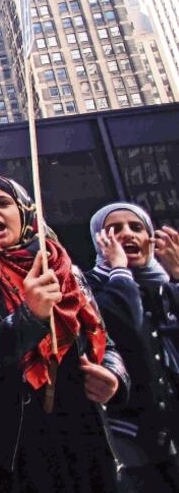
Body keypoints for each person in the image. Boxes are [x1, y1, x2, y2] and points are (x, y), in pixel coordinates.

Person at [0, 176, 128, 492]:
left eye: (3, 203)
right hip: (20, 441)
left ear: (25, 211)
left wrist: (113, 376)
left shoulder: (63, 266)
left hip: (83, 426)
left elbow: (105, 340)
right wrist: (30, 317)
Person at [86, 203, 179, 491]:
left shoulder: (164, 285)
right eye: (114, 229)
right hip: (129, 441)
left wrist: (177, 274)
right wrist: (119, 270)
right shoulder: (90, 287)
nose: (127, 234)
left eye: (136, 228)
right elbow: (125, 321)